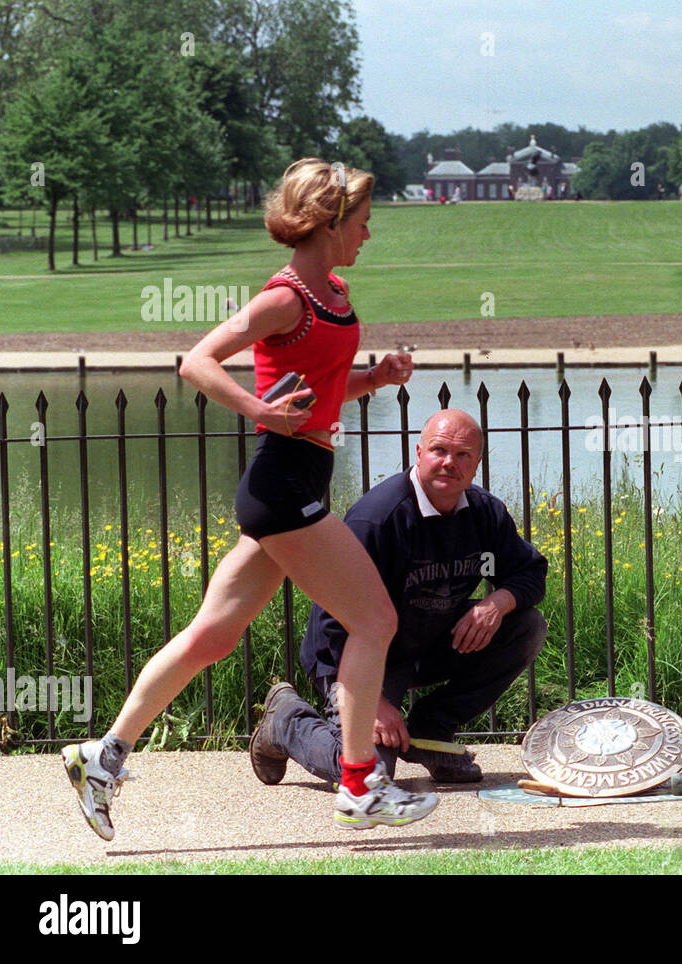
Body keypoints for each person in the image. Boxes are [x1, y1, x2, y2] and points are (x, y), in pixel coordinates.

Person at [62, 158, 439, 837]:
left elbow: (317, 393)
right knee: (376, 621)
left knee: (213, 634)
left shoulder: (333, 291)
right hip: (282, 487)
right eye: (360, 224)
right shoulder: (286, 297)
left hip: (291, 483)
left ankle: (103, 754)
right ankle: (359, 784)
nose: (367, 235)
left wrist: (373, 377)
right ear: (328, 224)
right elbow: (197, 361)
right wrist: (258, 410)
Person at [248, 410, 548, 787]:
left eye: (462, 455)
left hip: (425, 644)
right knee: (366, 772)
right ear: (419, 452)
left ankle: (431, 732)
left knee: (527, 626)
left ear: (477, 465)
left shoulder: (485, 512)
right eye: (439, 450)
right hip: (354, 659)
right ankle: (286, 720)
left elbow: (530, 572)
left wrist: (497, 602)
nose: (448, 463)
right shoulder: (378, 519)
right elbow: (331, 622)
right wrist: (372, 701)